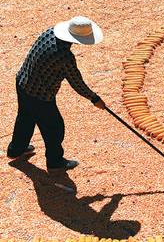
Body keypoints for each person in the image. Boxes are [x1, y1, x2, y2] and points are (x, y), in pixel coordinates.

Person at [6, 16, 106, 173]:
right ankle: (55, 162)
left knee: (25, 118)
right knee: (54, 127)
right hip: (39, 94)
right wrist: (95, 98)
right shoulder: (65, 57)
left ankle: (16, 150)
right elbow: (76, 82)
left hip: (23, 80)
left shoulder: (50, 32)